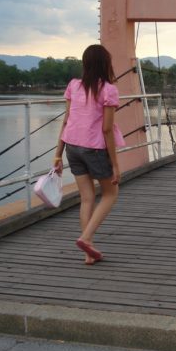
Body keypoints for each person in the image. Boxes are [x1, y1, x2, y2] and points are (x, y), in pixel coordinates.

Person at [53, 44, 126, 265]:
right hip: (94, 148)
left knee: (86, 198)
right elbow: (106, 129)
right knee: (111, 194)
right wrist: (115, 164)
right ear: (106, 64)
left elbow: (66, 121)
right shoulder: (108, 90)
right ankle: (85, 239)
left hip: (72, 147)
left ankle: (88, 252)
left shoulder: (74, 86)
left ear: (85, 64)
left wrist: (57, 155)